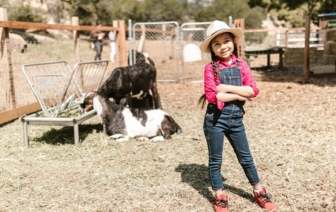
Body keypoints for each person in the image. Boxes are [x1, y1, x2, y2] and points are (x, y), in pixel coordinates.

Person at [198, 20, 278, 212]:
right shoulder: (210, 69)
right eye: (217, 44)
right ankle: (219, 195)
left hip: (236, 120)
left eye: (226, 41)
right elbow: (213, 96)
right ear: (212, 48)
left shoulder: (242, 65)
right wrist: (240, 92)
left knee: (246, 157)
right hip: (215, 121)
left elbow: (253, 91)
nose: (223, 46)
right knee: (215, 160)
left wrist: (226, 88)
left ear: (233, 42)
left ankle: (259, 191)